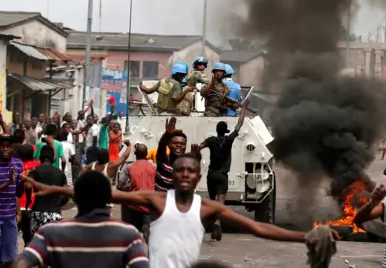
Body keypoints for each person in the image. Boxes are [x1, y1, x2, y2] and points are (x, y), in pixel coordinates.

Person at [24, 154, 337, 268]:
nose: (186, 174)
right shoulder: (158, 200)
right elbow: (107, 192)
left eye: (191, 171)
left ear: (198, 176)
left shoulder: (208, 207)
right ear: (173, 175)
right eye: (181, 170)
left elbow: (258, 229)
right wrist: (59, 189)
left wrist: (303, 236)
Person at [16, 171, 149, 268]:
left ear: (76, 198)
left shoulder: (49, 232)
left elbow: (23, 263)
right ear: (109, 199)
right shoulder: (128, 233)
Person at [199, 108, 247, 241]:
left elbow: (199, 146)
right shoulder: (229, 140)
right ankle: (217, 222)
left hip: (211, 175)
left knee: (213, 200)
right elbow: (239, 124)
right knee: (221, 203)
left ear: (216, 130)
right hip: (223, 176)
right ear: (225, 131)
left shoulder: (211, 140)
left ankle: (211, 221)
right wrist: (243, 109)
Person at [117, 143, 156, 240]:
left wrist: (129, 186)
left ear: (135, 153)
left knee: (131, 233)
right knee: (146, 227)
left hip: (134, 204)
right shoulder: (154, 167)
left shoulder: (129, 167)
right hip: (148, 203)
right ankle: (147, 237)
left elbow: (119, 186)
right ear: (146, 154)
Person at [27, 145, 68, 236]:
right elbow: (66, 195)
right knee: (53, 245)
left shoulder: (34, 171)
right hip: (54, 214)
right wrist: (59, 204)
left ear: (41, 157)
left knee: (37, 244)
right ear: (53, 158)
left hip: (38, 213)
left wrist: (28, 201)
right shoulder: (60, 173)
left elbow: (28, 186)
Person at [0, 134, 22, 268]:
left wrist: (24, 184)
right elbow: (10, 184)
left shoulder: (18, 163)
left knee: (11, 258)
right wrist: (9, 182)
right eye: (2, 146)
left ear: (12, 148)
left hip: (10, 217)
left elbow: (17, 193)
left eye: (8, 146)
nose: (5, 149)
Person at [15, 144, 38, 245]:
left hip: (17, 207)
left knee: (12, 236)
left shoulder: (15, 166)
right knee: (29, 238)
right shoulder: (38, 165)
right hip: (31, 206)